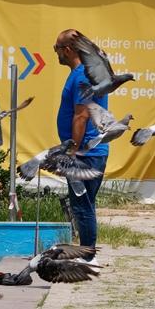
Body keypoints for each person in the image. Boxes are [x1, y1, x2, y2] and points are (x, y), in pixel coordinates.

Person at [53, 28, 109, 251]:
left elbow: (81, 116)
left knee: (82, 207)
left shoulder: (83, 76)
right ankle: (87, 252)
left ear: (67, 50)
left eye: (56, 48)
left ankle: (88, 255)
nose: (55, 53)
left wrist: (72, 152)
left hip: (85, 154)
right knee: (84, 205)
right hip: (89, 152)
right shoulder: (83, 72)